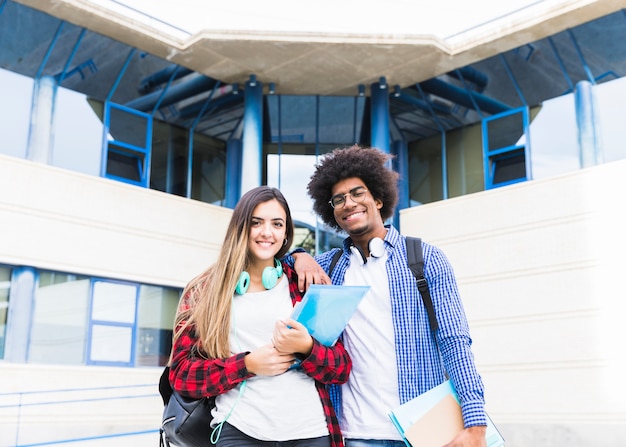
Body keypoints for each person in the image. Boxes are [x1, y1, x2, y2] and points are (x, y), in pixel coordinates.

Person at [291, 145, 488, 447]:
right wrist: (301, 255)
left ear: (379, 199)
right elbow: (278, 261)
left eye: (358, 193)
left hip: (426, 433)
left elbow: (455, 341)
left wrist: (475, 422)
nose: (348, 203)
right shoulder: (329, 267)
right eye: (339, 199)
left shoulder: (424, 259)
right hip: (354, 434)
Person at [168, 185, 351, 447]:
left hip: (311, 432)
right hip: (239, 431)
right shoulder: (206, 291)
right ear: (241, 227)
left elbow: (341, 368)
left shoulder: (304, 287)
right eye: (257, 223)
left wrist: (307, 348)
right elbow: (183, 376)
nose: (267, 232)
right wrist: (248, 365)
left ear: (286, 232)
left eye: (277, 224)